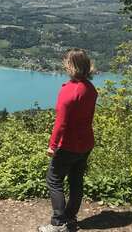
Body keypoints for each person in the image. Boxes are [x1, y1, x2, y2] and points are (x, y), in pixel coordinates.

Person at [39, 49, 98, 232]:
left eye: (66, 62)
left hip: (68, 145)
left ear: (71, 66)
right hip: (86, 143)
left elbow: (61, 123)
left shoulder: (69, 91)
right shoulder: (90, 89)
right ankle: (70, 218)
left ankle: (59, 223)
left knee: (54, 179)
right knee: (76, 179)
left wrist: (52, 145)